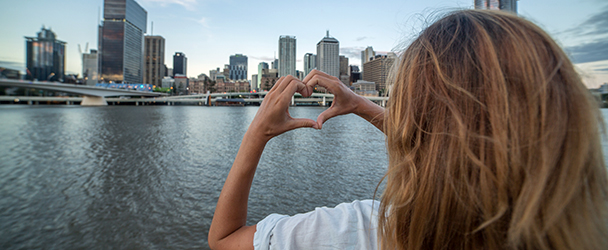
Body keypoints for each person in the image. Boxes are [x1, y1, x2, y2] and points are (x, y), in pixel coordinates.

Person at [208, 9, 608, 250]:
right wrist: (364, 105)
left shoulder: (366, 231)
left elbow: (224, 240)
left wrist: (256, 133)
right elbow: (450, 145)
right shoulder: (590, 228)